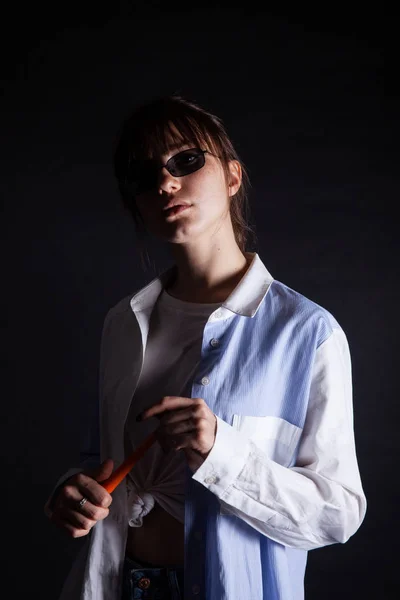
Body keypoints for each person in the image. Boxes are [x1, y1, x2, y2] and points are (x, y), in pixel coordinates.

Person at [44, 94, 367, 600]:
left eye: (186, 161)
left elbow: (337, 514)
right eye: (144, 174)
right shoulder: (123, 324)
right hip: (115, 583)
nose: (165, 183)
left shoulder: (307, 333)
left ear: (233, 177)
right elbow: (99, 460)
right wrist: (75, 493)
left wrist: (222, 451)